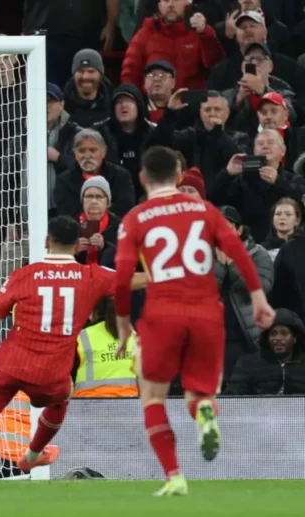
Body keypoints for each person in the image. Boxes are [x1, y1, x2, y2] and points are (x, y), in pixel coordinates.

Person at [0, 216, 147, 489]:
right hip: (52, 370)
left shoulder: (23, 275)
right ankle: (33, 455)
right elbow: (134, 281)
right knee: (61, 399)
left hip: (9, 363)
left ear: (47, 242)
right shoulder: (92, 276)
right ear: (77, 246)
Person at [113, 146, 275, 497]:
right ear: (178, 176)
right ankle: (204, 413)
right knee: (198, 392)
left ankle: (174, 475)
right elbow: (237, 250)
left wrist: (124, 322)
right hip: (206, 313)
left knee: (153, 397)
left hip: (161, 314)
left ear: (142, 178)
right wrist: (259, 298)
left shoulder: (136, 218)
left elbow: (123, 275)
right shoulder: (206, 211)